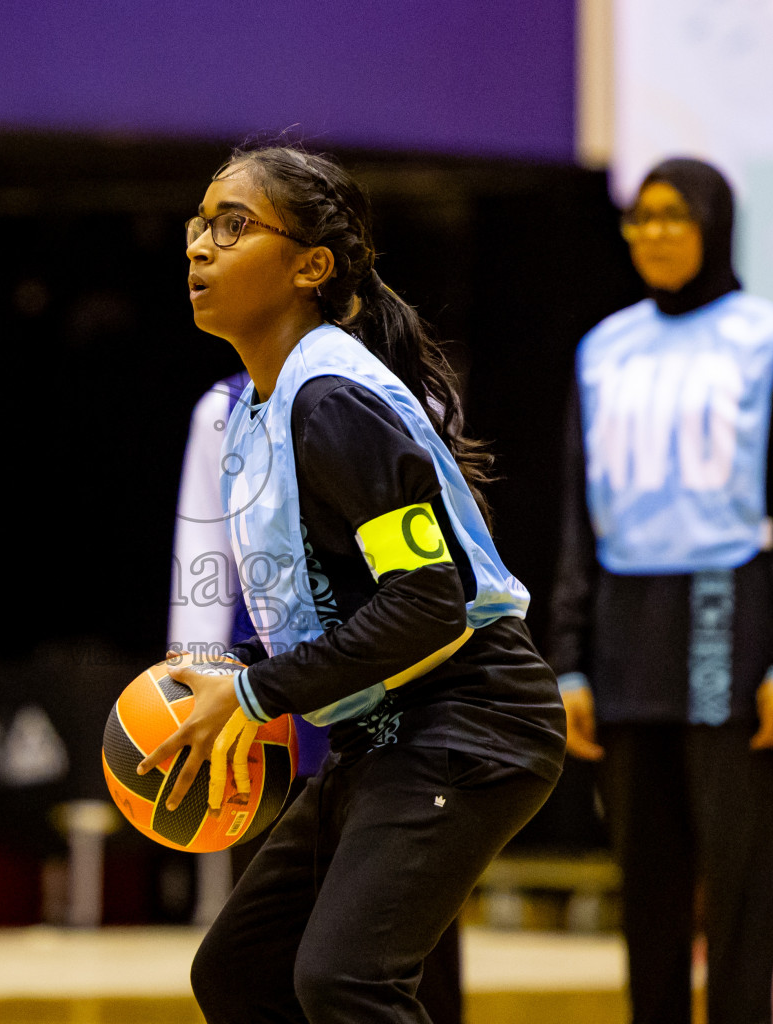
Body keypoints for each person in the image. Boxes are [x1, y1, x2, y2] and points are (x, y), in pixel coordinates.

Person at [139, 143, 566, 1024]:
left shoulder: (334, 404)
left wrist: (256, 693)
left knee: (343, 981)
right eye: (198, 225)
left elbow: (429, 600)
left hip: (472, 719)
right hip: (383, 726)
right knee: (238, 972)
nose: (199, 247)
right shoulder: (261, 407)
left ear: (311, 266)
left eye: (232, 225)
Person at [548, 157, 773, 1024]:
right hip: (625, 633)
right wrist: (568, 660)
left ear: (713, 223)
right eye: (640, 217)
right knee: (647, 889)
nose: (654, 233)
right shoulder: (604, 348)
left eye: (673, 216)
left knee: (738, 888)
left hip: (726, 620)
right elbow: (577, 516)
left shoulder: (767, 340)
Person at [167, 373, 463, 1023]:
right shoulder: (222, 407)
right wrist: (190, 679)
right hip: (270, 703)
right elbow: (203, 559)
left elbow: (449, 577)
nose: (197, 262)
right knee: (259, 961)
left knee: (401, 963)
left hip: (404, 704)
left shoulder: (400, 392)